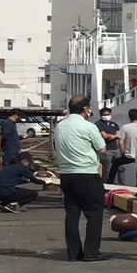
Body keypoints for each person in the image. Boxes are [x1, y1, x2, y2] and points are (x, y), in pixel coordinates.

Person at [52, 95, 109, 261]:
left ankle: (73, 252)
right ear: (86, 109)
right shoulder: (89, 126)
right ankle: (91, 251)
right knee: (94, 212)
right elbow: (102, 149)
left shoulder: (59, 127)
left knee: (72, 214)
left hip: (66, 174)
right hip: (87, 173)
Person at [111, 108, 137, 184]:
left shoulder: (125, 127)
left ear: (129, 116)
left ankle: (110, 181)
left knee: (115, 163)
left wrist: (122, 153)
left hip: (129, 155)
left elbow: (120, 142)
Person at [96, 106, 120, 177]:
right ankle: (106, 181)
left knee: (121, 167)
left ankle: (122, 182)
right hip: (106, 150)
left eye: (108, 114)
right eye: (104, 115)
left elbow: (120, 135)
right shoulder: (98, 124)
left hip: (115, 149)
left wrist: (111, 136)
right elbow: (105, 136)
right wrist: (114, 136)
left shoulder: (114, 124)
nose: (106, 116)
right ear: (101, 115)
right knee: (107, 168)